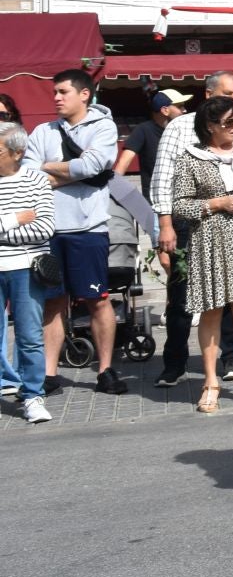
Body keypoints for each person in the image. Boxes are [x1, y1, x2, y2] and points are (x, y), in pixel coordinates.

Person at [150, 71, 233, 388]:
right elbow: (164, 181)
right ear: (208, 95)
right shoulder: (181, 127)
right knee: (183, 296)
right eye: (228, 94)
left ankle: (232, 360)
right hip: (196, 227)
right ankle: (174, 363)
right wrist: (165, 225)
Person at [26, 68, 123, 395]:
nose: (55, 97)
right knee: (53, 302)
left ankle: (106, 370)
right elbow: (29, 175)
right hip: (48, 230)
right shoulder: (42, 131)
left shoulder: (104, 127)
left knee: (96, 299)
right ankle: (49, 375)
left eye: (62, 92)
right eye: (54, 92)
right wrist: (73, 171)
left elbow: (95, 166)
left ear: (84, 94)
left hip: (88, 229)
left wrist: (48, 168)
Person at [172, 96, 233, 413]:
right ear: (210, 126)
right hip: (212, 240)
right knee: (212, 311)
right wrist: (217, 203)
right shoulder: (191, 158)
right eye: (229, 122)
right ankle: (211, 382)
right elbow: (179, 205)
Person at [0, 123, 54, 424]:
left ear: (18, 153)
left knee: (30, 335)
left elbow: (45, 227)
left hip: (26, 267)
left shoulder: (35, 180)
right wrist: (14, 219)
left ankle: (33, 395)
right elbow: (29, 226)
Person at [114, 90, 189, 196]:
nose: (185, 110)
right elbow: (124, 162)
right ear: (165, 110)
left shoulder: (186, 131)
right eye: (180, 106)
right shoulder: (143, 130)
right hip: (155, 202)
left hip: (184, 199)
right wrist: (112, 191)